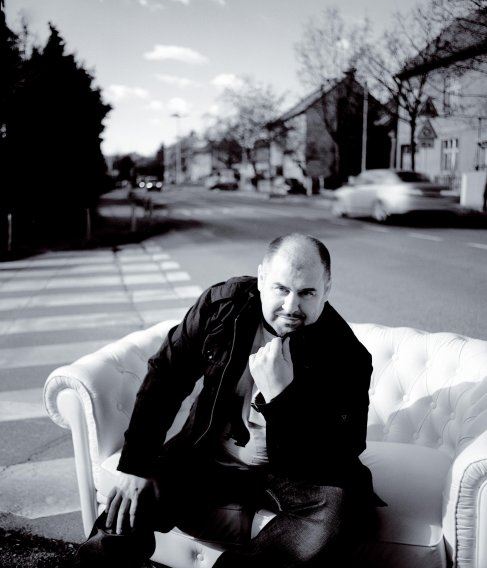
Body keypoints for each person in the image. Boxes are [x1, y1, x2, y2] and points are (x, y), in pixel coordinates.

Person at [74, 233, 383, 568]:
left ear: (327, 288)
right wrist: (136, 464)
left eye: (307, 292)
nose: (291, 306)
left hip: (298, 475)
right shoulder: (223, 306)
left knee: (341, 514)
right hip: (207, 454)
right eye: (281, 289)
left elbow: (345, 448)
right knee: (124, 511)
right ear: (262, 279)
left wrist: (282, 400)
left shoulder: (346, 355)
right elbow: (167, 375)